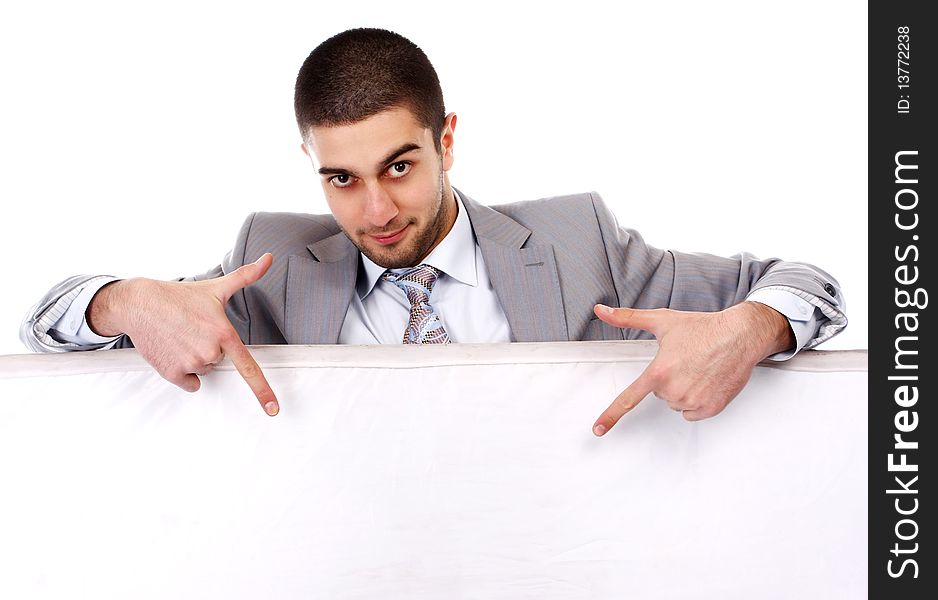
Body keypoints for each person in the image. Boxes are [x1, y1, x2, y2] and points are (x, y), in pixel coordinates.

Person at [20, 28, 846, 435]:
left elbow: (806, 282)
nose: (374, 211)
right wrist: (124, 303)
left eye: (400, 166)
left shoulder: (577, 241)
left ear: (446, 141)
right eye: (340, 178)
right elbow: (44, 322)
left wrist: (751, 328)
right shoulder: (268, 264)